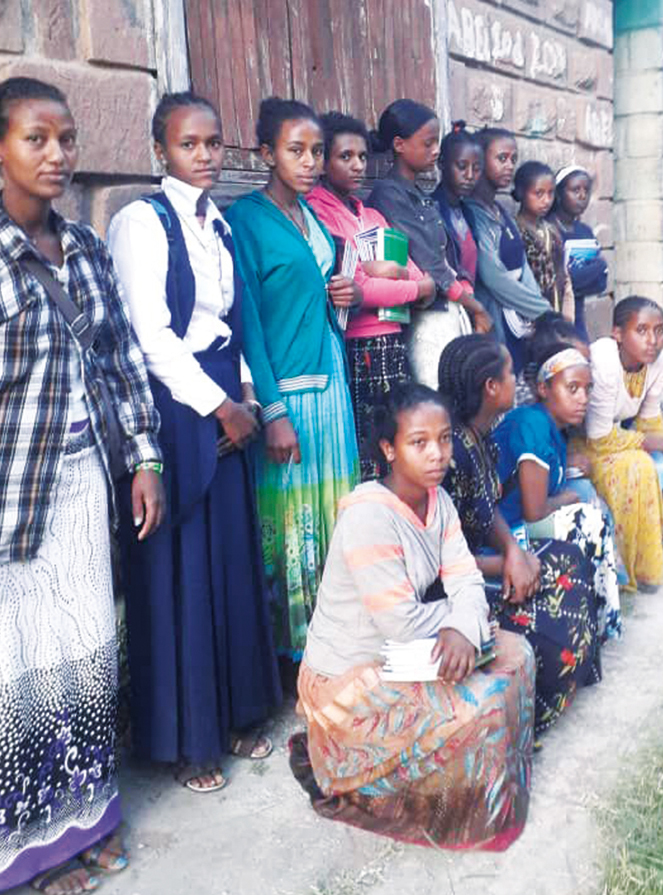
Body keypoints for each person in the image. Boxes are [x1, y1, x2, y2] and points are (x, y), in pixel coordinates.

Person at [0, 78, 164, 895]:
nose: (58, 155)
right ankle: (21, 852)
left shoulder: (88, 251)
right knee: (9, 679)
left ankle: (83, 823)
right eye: (37, 139)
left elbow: (123, 363)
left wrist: (145, 460)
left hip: (76, 497)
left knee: (82, 662)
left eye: (66, 138)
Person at [107, 93, 281, 792]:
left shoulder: (219, 225)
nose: (205, 156)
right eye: (189, 144)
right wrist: (217, 408)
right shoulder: (142, 223)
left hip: (222, 394)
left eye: (213, 143)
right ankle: (188, 741)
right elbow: (149, 336)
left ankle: (236, 713)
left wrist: (244, 399)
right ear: (161, 150)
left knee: (230, 563)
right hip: (176, 405)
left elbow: (229, 325)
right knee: (180, 571)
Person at [289, 384, 534, 850]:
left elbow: (464, 576)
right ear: (389, 449)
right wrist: (459, 624)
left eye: (444, 439)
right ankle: (385, 782)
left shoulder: (437, 500)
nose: (437, 454)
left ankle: (480, 793)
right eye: (418, 442)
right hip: (348, 676)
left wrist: (462, 626)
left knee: (516, 655)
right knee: (478, 705)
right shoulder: (369, 517)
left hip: (404, 654)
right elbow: (400, 623)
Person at [226, 97, 360, 669]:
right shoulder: (245, 221)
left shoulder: (315, 218)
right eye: (295, 151)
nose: (309, 163)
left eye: (316, 153)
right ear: (265, 153)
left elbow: (315, 293)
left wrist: (340, 297)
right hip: (291, 393)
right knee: (291, 520)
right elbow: (248, 323)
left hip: (330, 383)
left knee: (334, 511)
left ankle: (338, 629)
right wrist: (272, 410)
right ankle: (294, 651)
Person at [438, 335, 607, 733]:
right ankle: (534, 713)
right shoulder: (454, 451)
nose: (518, 382)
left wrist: (514, 551)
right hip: (459, 580)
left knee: (570, 560)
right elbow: (443, 553)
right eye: (511, 374)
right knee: (562, 587)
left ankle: (574, 666)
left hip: (486, 557)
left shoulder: (478, 440)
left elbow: (486, 512)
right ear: (491, 387)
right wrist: (508, 561)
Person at [306, 111, 435, 479]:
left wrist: (390, 276)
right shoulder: (319, 214)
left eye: (362, 157)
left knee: (397, 438)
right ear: (323, 161)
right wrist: (394, 284)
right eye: (345, 157)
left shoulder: (372, 215)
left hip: (394, 341)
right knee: (370, 444)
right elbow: (355, 288)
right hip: (359, 346)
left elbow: (419, 275)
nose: (357, 165)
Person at [492, 338, 621, 638]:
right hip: (504, 533)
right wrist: (570, 497)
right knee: (584, 517)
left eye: (587, 390)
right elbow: (535, 511)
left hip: (519, 525)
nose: (583, 398)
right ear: (544, 389)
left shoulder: (554, 432)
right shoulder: (533, 423)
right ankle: (592, 625)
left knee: (587, 502)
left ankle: (595, 621)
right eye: (572, 388)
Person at [366, 99, 491, 387]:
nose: (436, 150)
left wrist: (467, 302)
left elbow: (450, 259)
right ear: (399, 145)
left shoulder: (420, 195)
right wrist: (477, 307)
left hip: (450, 311)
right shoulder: (389, 195)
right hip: (427, 320)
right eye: (428, 143)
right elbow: (430, 263)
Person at [583, 297, 663, 591]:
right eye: (641, 330)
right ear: (617, 334)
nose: (652, 341)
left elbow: (649, 419)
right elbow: (598, 438)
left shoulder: (661, 363)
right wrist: (660, 445)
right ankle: (621, 570)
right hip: (583, 443)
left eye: (659, 331)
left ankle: (646, 567)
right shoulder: (604, 362)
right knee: (636, 466)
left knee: (653, 462)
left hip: (618, 434)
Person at [466, 129, 551, 388]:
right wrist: (543, 312)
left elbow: (522, 265)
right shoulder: (472, 213)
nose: (509, 166)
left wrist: (539, 310)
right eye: (501, 158)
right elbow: (493, 276)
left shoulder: (501, 211)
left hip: (519, 319)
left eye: (513, 159)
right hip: (495, 316)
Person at [550, 166, 608, 346]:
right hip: (552, 318)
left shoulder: (584, 231)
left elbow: (600, 284)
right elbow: (557, 283)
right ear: (559, 194)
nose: (582, 196)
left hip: (578, 314)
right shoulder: (548, 229)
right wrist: (596, 268)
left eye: (586, 190)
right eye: (575, 190)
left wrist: (577, 280)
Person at [512, 161, 568, 316]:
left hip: (556, 309)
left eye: (550, 193)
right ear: (521, 192)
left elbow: (563, 274)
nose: (546, 200)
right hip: (530, 313)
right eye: (539, 193)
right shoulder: (515, 231)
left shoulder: (552, 231)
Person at [431, 121, 482, 286]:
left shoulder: (468, 214)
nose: (469, 175)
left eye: (476, 168)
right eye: (462, 166)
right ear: (441, 164)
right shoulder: (431, 210)